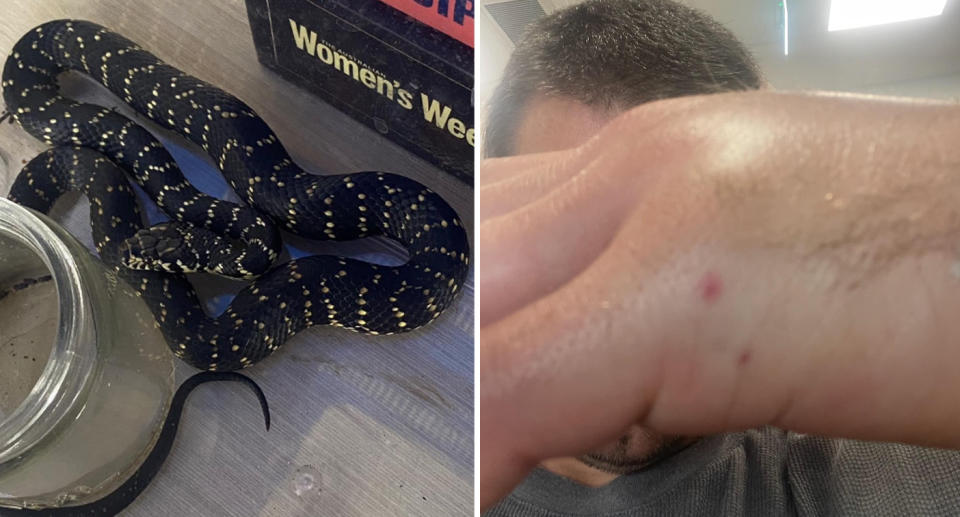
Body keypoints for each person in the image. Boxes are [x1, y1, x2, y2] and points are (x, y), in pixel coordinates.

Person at [478, 0, 960, 515]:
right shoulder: (445, 452)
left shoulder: (827, 461)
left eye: (677, 251)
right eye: (571, 246)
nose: (624, 322)